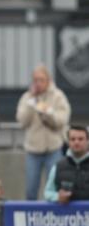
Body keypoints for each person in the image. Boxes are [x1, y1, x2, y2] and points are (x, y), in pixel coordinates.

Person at [16, 65, 71, 200]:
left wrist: (47, 113)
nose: (38, 83)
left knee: (54, 186)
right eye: (35, 80)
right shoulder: (27, 97)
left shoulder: (58, 96)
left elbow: (62, 120)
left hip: (53, 148)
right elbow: (22, 121)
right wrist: (32, 103)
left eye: (41, 80)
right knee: (30, 188)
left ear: (48, 80)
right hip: (33, 149)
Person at [44, 125, 89, 204]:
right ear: (68, 142)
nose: (76, 142)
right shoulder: (58, 166)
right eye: (73, 139)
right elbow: (48, 192)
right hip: (65, 216)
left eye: (80, 139)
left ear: (87, 141)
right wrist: (58, 197)